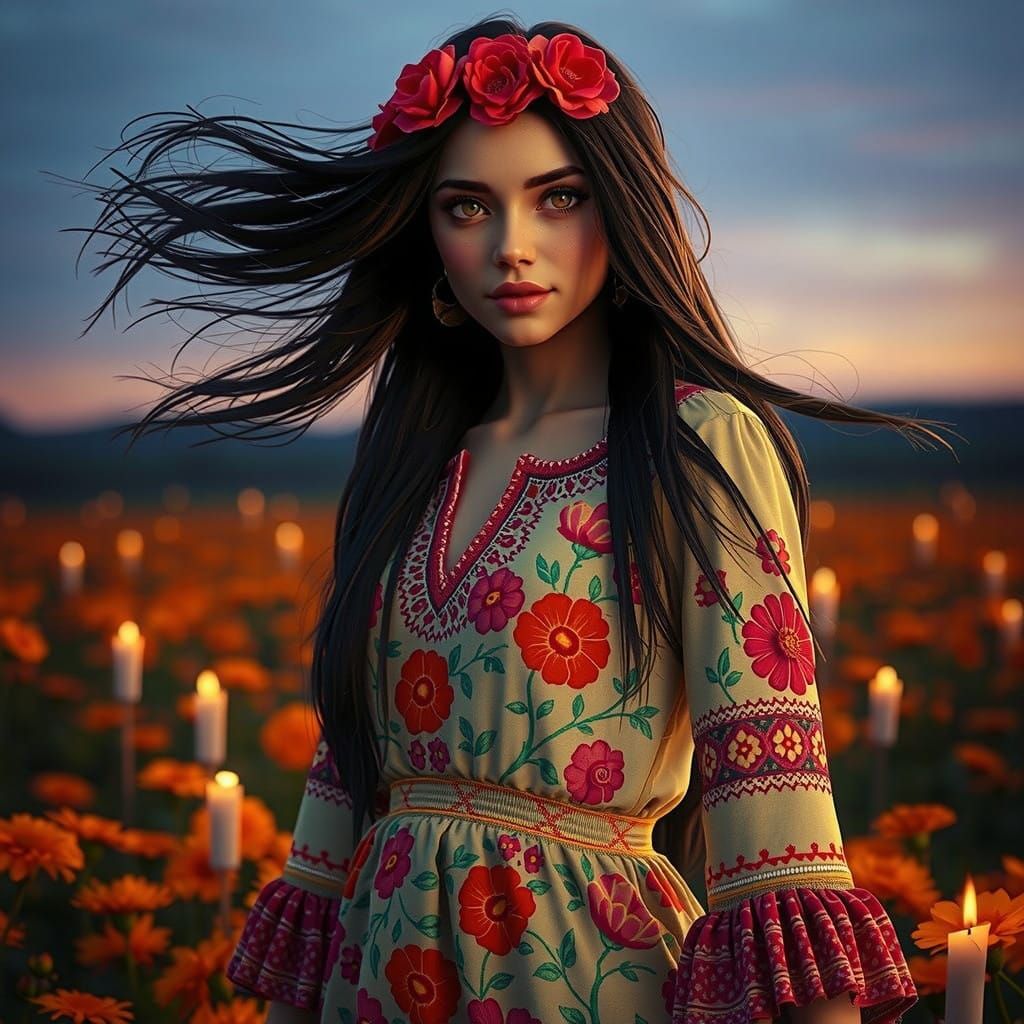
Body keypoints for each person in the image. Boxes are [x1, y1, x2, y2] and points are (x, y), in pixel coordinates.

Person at [65, 16, 956, 1024]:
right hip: (377, 984)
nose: (511, 246)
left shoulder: (700, 443)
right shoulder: (412, 460)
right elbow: (340, 804)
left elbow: (776, 822)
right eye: (467, 206)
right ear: (427, 232)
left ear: (621, 211)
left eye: (558, 198)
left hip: (585, 981)